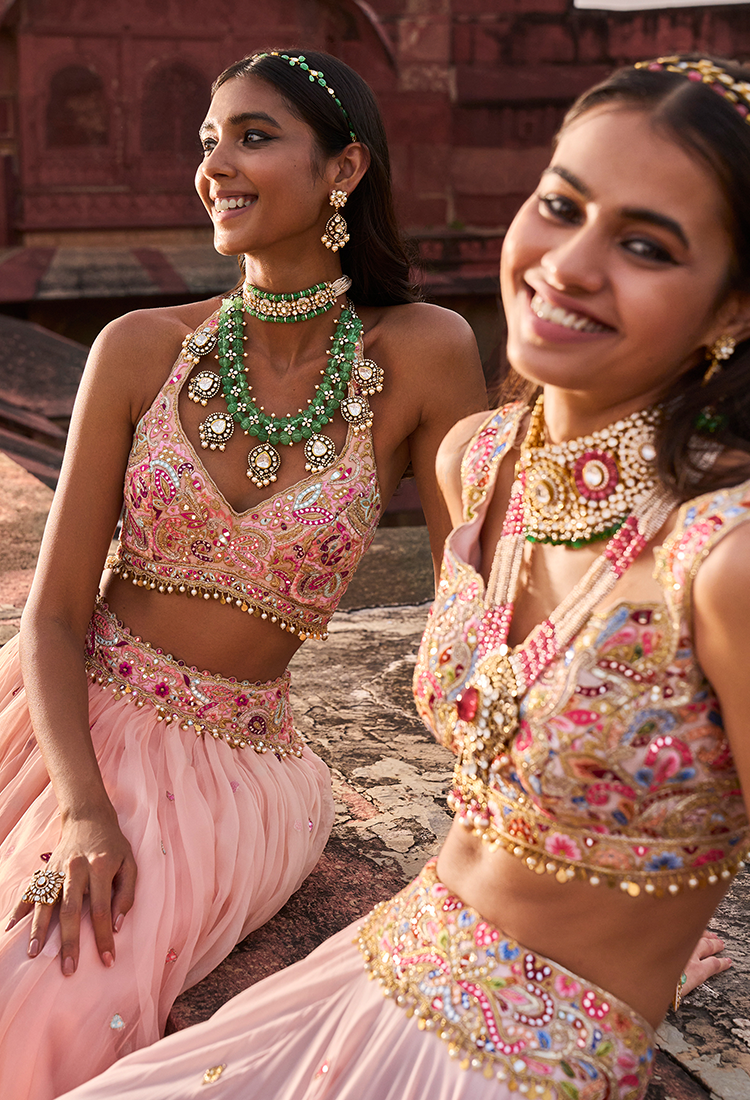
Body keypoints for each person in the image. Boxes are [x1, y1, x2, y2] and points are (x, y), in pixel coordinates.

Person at [56, 53, 750, 1100]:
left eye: (647, 244)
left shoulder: (722, 556)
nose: (569, 262)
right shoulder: (487, 460)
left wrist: (646, 895)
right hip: (376, 963)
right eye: (560, 204)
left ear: (732, 308)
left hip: (523, 1055)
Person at [0, 50, 487, 1100]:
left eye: (253, 136)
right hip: (61, 723)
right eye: (207, 139)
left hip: (233, 771)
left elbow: (479, 610)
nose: (214, 163)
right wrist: (84, 809)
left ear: (345, 165)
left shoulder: (425, 350)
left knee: (50, 984)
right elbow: (49, 615)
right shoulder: (139, 347)